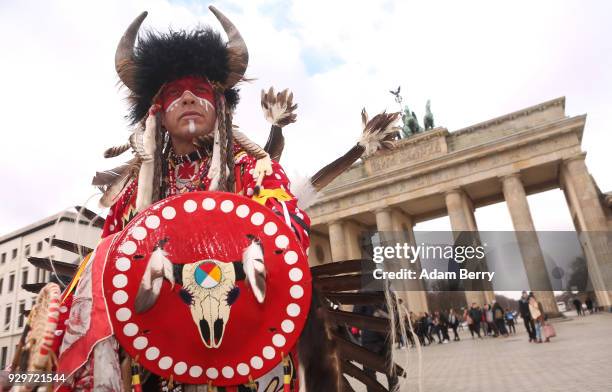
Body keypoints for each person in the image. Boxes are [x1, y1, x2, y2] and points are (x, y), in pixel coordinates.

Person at [45, 6, 402, 392]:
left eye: (199, 92)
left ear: (219, 107)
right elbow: (109, 258)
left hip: (244, 347)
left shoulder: (253, 169)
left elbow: (287, 232)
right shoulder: (135, 188)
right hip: (156, 352)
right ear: (157, 113)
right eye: (173, 95)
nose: (187, 100)